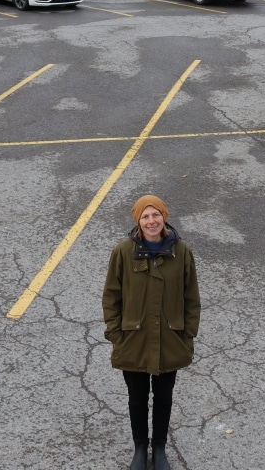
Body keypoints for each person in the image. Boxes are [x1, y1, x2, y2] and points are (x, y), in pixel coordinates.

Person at [102, 195, 201, 470]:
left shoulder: (181, 251)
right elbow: (111, 296)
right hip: (133, 339)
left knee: (164, 397)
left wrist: (187, 333)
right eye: (145, 216)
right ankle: (139, 448)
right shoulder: (123, 251)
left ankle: (159, 449)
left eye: (155, 215)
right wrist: (115, 334)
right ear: (138, 221)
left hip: (171, 339)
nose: (151, 221)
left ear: (164, 217)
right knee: (137, 398)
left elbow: (191, 296)